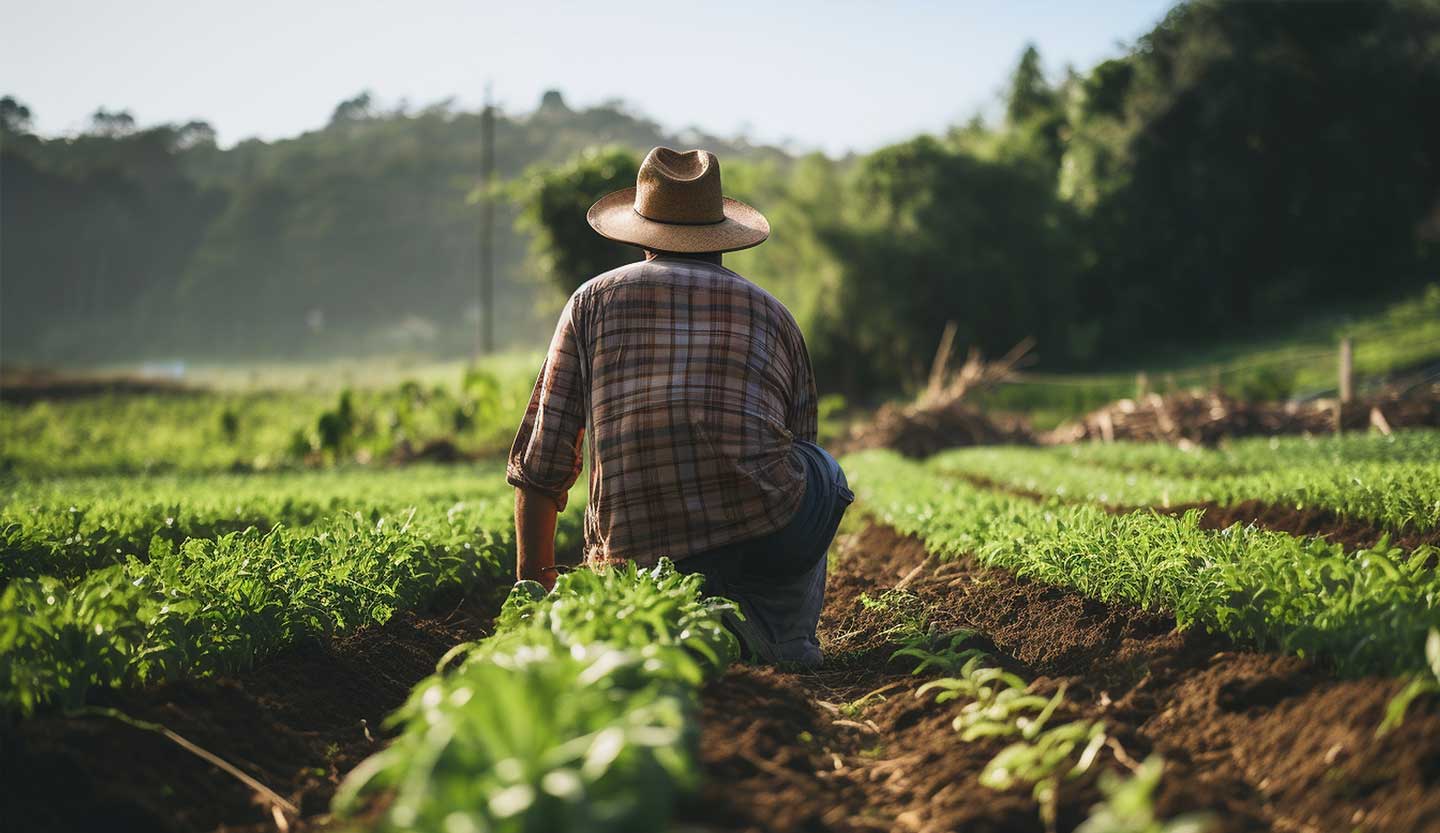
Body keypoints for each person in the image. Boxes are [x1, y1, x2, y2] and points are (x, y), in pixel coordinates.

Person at [507, 146, 853, 667]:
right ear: (721, 238)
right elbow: (795, 442)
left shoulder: (591, 300)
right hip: (760, 533)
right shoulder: (772, 312)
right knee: (822, 469)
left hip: (634, 555)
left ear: (644, 235)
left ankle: (672, 616)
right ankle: (785, 638)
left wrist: (535, 586)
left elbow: (543, 462)